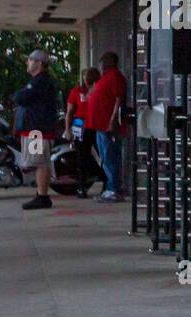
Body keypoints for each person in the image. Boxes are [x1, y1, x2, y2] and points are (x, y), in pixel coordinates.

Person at [12, 49, 60, 210]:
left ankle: (42, 196)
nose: (28, 62)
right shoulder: (40, 81)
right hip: (37, 130)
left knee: (39, 162)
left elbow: (20, 97)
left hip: (37, 130)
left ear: (39, 63)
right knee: (40, 162)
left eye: (31, 60)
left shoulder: (40, 82)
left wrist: (19, 95)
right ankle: (42, 195)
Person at [87, 51, 129, 202]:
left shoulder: (115, 76)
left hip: (107, 126)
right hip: (100, 125)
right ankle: (112, 187)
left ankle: (113, 189)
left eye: (103, 61)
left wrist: (112, 121)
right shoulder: (105, 77)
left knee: (110, 157)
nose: (100, 64)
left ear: (110, 62)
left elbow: (119, 100)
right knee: (106, 157)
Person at [64, 68, 102, 198]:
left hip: (95, 124)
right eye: (85, 76)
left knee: (100, 152)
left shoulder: (98, 89)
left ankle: (104, 178)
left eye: (88, 77)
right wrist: (67, 129)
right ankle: (82, 186)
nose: (86, 80)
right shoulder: (76, 91)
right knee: (82, 156)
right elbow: (69, 112)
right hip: (80, 124)